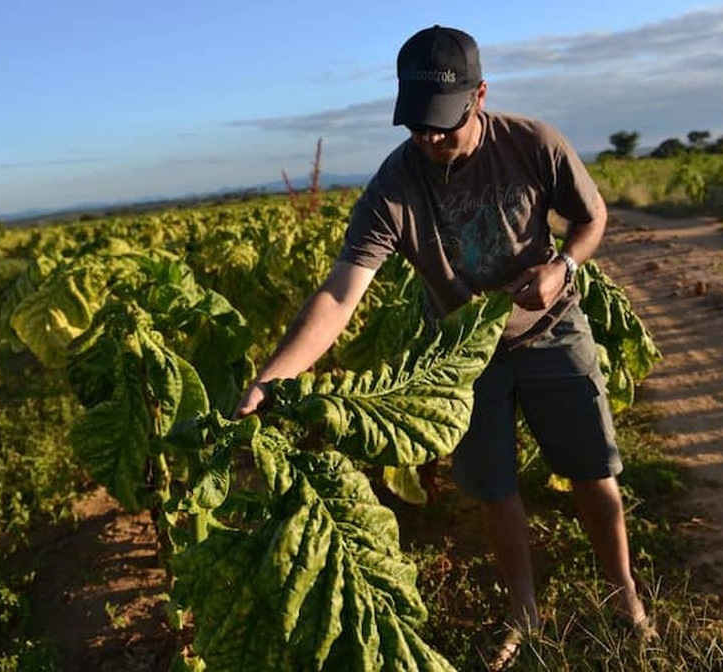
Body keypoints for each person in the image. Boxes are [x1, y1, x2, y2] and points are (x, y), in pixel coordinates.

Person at [235, 24, 650, 669]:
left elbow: (592, 219)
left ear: (479, 96)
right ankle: (524, 613)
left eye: (442, 125)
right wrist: (272, 377)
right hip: (461, 355)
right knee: (493, 487)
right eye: (416, 126)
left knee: (593, 469)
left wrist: (563, 267)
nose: (428, 139)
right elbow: (341, 295)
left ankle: (625, 596)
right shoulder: (396, 186)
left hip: (553, 330)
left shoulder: (533, 143)